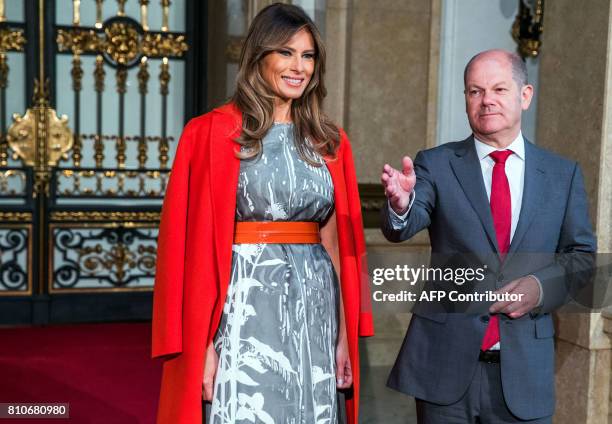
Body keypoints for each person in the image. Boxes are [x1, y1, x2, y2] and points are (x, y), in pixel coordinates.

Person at [152, 4, 373, 423]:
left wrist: (343, 338)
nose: (299, 67)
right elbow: (183, 249)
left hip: (315, 308)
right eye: (286, 53)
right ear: (259, 56)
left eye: (308, 56)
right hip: (241, 306)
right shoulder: (209, 133)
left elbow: (336, 245)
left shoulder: (330, 141)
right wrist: (200, 345)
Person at [380, 49, 596, 423]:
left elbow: (582, 258)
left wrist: (539, 288)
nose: (486, 100)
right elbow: (405, 223)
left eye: (498, 89)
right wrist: (401, 204)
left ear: (525, 95)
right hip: (443, 368)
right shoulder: (435, 164)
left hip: (523, 374)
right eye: (475, 91)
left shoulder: (562, 175)